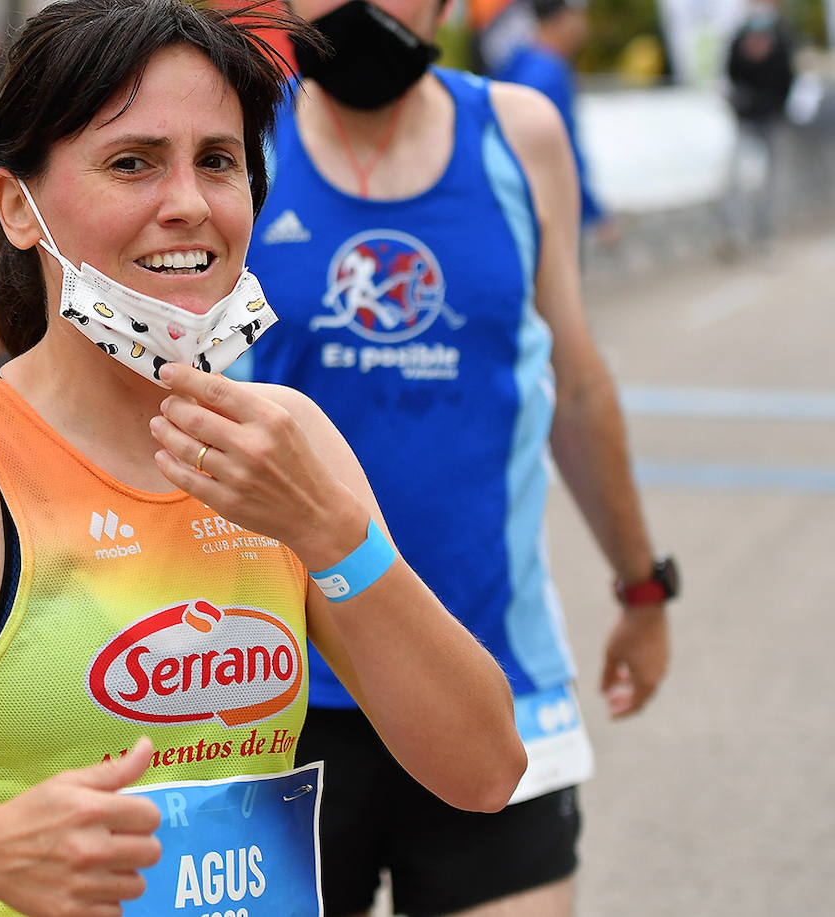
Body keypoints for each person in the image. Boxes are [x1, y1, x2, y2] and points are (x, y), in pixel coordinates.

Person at [0, 2, 527, 915]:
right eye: (132, 162)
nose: (187, 202)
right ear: (18, 206)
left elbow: (486, 768)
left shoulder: (284, 442)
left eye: (218, 161)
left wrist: (333, 533)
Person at [233, 1, 677, 915]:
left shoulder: (520, 135)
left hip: (490, 675)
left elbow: (577, 383)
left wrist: (641, 586)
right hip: (274, 693)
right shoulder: (235, 133)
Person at [492, 0, 619, 246]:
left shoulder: (514, 62)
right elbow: (564, 152)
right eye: (580, 16)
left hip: (513, 208)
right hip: (549, 212)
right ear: (565, 18)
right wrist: (594, 211)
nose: (585, 27)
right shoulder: (549, 74)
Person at [722, 0, 795, 255]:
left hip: (773, 119)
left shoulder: (782, 37)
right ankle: (736, 234)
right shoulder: (738, 37)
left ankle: (766, 234)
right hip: (746, 120)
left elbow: (786, 80)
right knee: (737, 178)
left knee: (774, 180)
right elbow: (732, 74)